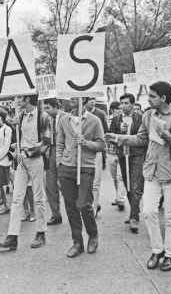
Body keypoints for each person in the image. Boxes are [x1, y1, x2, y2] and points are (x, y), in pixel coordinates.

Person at [106, 82, 171, 271]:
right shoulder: (149, 114)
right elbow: (141, 139)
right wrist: (119, 138)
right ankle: (157, 250)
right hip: (152, 170)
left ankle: (170, 255)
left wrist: (170, 137)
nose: (148, 100)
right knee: (149, 212)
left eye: (152, 96)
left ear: (163, 98)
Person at [0, 94, 50, 251]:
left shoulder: (43, 116)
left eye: (19, 98)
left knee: (39, 198)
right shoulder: (20, 115)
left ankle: (41, 233)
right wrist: (17, 147)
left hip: (36, 160)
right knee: (16, 198)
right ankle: (12, 237)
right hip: (21, 161)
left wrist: (27, 152)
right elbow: (20, 138)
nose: (16, 100)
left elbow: (46, 143)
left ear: (28, 99)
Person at [57, 97, 105, 257]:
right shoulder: (63, 120)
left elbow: (101, 145)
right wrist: (59, 163)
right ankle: (77, 242)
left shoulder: (94, 120)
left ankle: (93, 235)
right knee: (70, 207)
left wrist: (86, 143)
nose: (71, 100)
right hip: (67, 168)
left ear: (82, 100)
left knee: (83, 204)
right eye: (69, 97)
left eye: (74, 98)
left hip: (86, 167)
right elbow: (60, 143)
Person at [109, 93, 145, 233]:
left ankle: (135, 218)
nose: (123, 106)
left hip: (137, 155)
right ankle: (133, 212)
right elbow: (111, 136)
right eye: (122, 103)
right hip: (123, 155)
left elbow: (144, 137)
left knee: (136, 186)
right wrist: (119, 136)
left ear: (132, 104)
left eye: (126, 103)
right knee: (127, 184)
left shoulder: (140, 118)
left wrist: (128, 136)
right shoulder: (116, 119)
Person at [42, 98, 65, 225]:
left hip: (64, 153)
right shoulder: (47, 119)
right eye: (45, 108)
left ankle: (77, 211)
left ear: (56, 106)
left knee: (66, 185)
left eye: (48, 108)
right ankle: (56, 214)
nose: (46, 111)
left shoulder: (66, 117)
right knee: (50, 185)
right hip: (50, 152)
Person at [84, 97, 108, 217]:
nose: (92, 102)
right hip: (82, 155)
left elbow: (103, 137)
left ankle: (93, 209)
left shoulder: (99, 115)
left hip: (95, 153)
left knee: (95, 183)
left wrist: (103, 155)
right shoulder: (73, 117)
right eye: (90, 100)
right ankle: (93, 203)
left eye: (93, 99)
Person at [106, 101, 126, 211]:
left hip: (121, 152)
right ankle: (118, 196)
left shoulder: (124, 119)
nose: (120, 110)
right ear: (113, 110)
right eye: (118, 109)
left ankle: (121, 199)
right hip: (110, 152)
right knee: (114, 177)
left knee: (120, 177)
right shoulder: (107, 119)